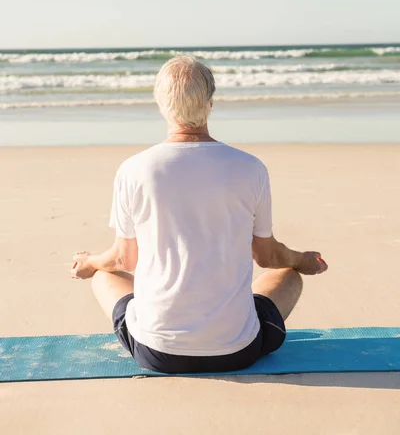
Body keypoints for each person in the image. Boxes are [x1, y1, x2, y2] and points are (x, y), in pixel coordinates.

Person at [71, 56, 328, 373]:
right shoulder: (249, 167)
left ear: (161, 103)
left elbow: (124, 261)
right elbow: (268, 256)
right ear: (210, 102)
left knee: (103, 275)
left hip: (156, 351)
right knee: (288, 275)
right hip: (238, 351)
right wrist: (302, 260)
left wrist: (89, 262)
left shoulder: (134, 170)